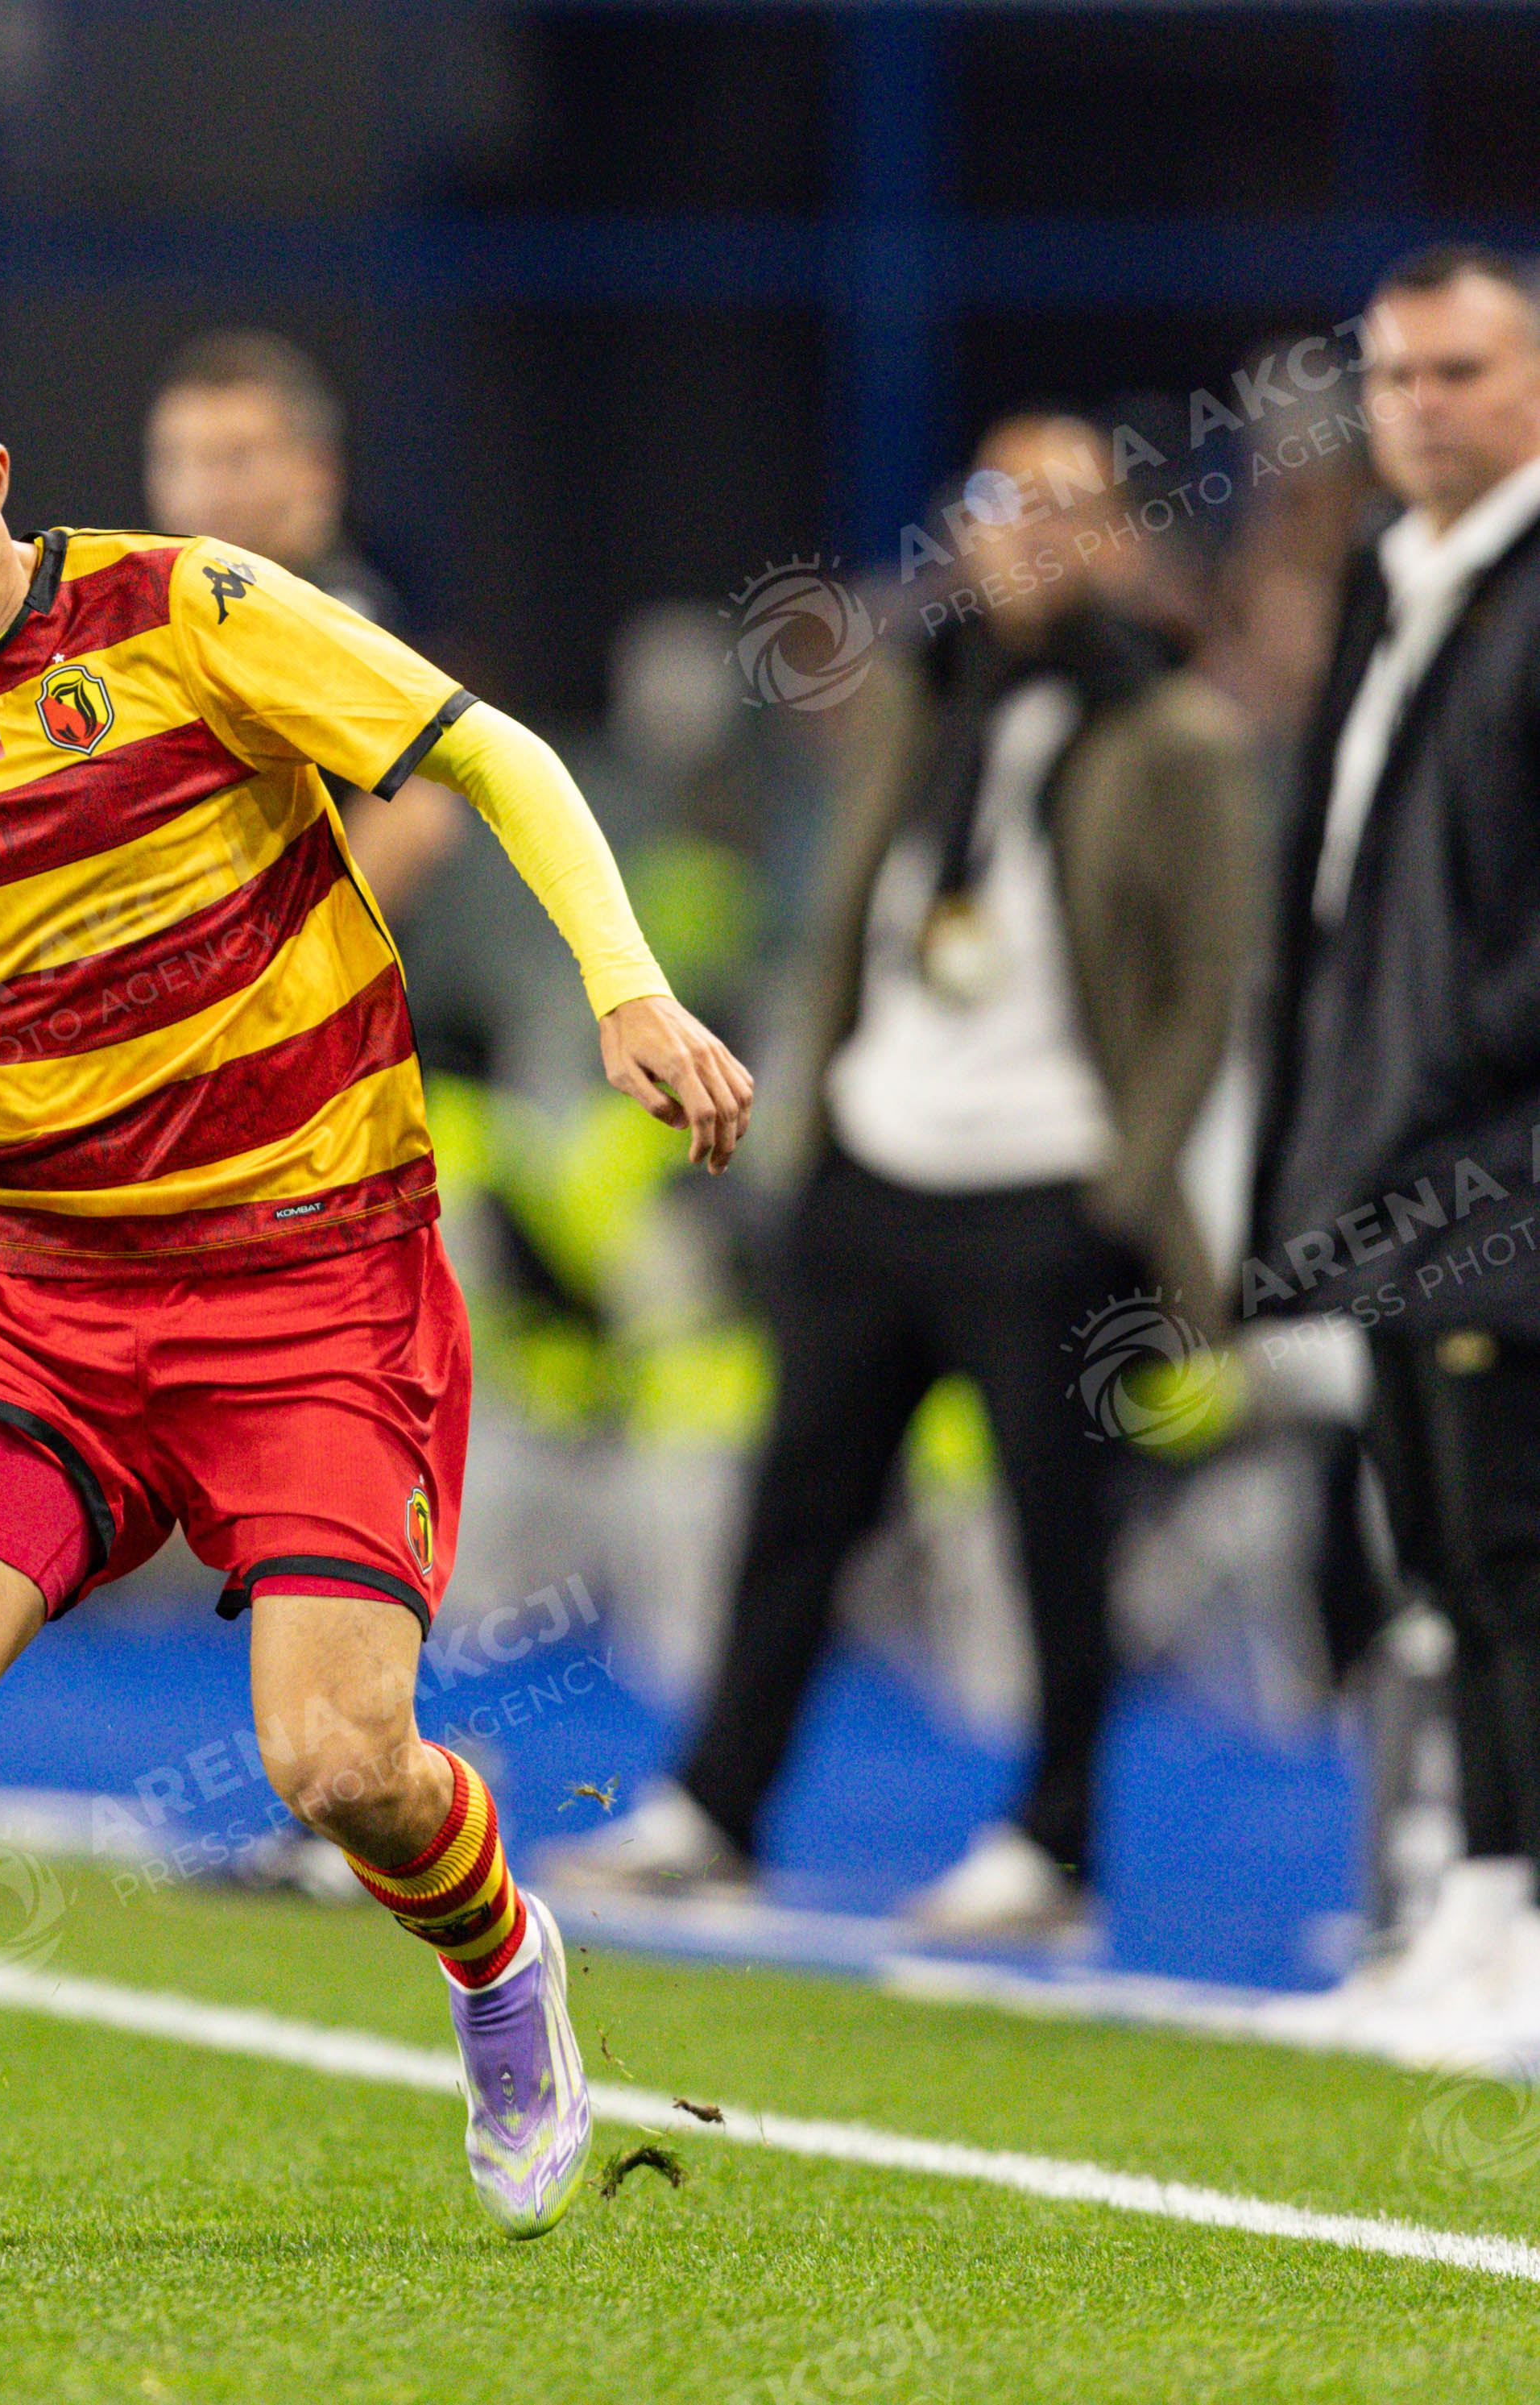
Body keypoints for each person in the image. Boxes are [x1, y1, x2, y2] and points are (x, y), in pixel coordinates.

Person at [0, 300, 750, 2245]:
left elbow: (493, 753)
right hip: (41, 1294)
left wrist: (627, 987)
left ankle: (499, 1961)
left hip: (310, 1280)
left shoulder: (187, 611)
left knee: (338, 1767)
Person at [553, 417, 1261, 1938]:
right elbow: (850, 909)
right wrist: (815, 1123)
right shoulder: (919, 689)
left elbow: (1203, 987)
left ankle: (1050, 1842)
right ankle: (716, 1805)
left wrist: (1122, 1189)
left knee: (1052, 1533)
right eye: (999, 502)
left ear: (1118, 536)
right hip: (873, 1165)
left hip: (1047, 1183)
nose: (1026, 533)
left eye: (1064, 507)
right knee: (794, 1512)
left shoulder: (1172, 734)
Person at [1248, 247, 1540, 2059]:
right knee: (1434, 1551)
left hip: (1502, 1154)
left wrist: (1449, 1062)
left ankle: (1521, 1924)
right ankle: (1475, 1907)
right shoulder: (1389, 569)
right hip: (1393, 1148)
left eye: (1461, 372)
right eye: (1395, 377)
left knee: (1512, 1547)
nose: (1422, 408)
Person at [143, 330, 461, 917]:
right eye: (177, 461)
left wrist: (285, 945)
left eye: (236, 460)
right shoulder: (156, 614)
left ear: (316, 470)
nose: (203, 491)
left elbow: (421, 812)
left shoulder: (338, 613)